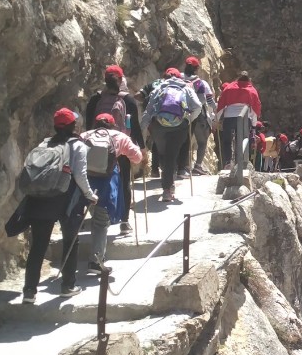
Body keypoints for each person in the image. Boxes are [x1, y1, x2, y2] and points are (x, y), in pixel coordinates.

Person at [21, 108, 97, 302]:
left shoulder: (44, 143)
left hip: (41, 199)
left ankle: (29, 291)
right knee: (70, 241)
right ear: (74, 125)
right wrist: (90, 195)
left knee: (38, 245)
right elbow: (80, 174)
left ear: (55, 125)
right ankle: (68, 285)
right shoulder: (78, 146)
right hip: (67, 199)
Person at [84, 65, 144, 236]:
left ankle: (97, 217)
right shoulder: (127, 100)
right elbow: (135, 127)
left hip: (95, 145)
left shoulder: (95, 99)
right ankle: (124, 222)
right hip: (120, 146)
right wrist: (141, 147)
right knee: (124, 182)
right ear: (120, 79)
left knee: (93, 181)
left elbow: (89, 123)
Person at [81, 113, 145, 271]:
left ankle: (72, 264)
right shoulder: (119, 136)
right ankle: (96, 260)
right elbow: (137, 157)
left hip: (83, 181)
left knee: (84, 216)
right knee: (101, 222)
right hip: (106, 182)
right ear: (112, 124)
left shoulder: (84, 136)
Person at [140, 68, 201, 205]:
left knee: (163, 154)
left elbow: (148, 111)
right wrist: (188, 118)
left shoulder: (159, 87)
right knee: (171, 155)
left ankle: (168, 182)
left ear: (164, 77)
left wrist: (141, 131)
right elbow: (197, 106)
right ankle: (167, 188)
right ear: (179, 78)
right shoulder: (186, 88)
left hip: (159, 126)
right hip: (179, 126)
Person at [182, 56, 217, 176]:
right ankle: (197, 166)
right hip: (198, 116)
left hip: (181, 114)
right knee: (202, 142)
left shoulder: (178, 79)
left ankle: (184, 166)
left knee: (184, 141)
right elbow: (206, 100)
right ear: (197, 69)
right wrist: (216, 109)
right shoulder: (201, 83)